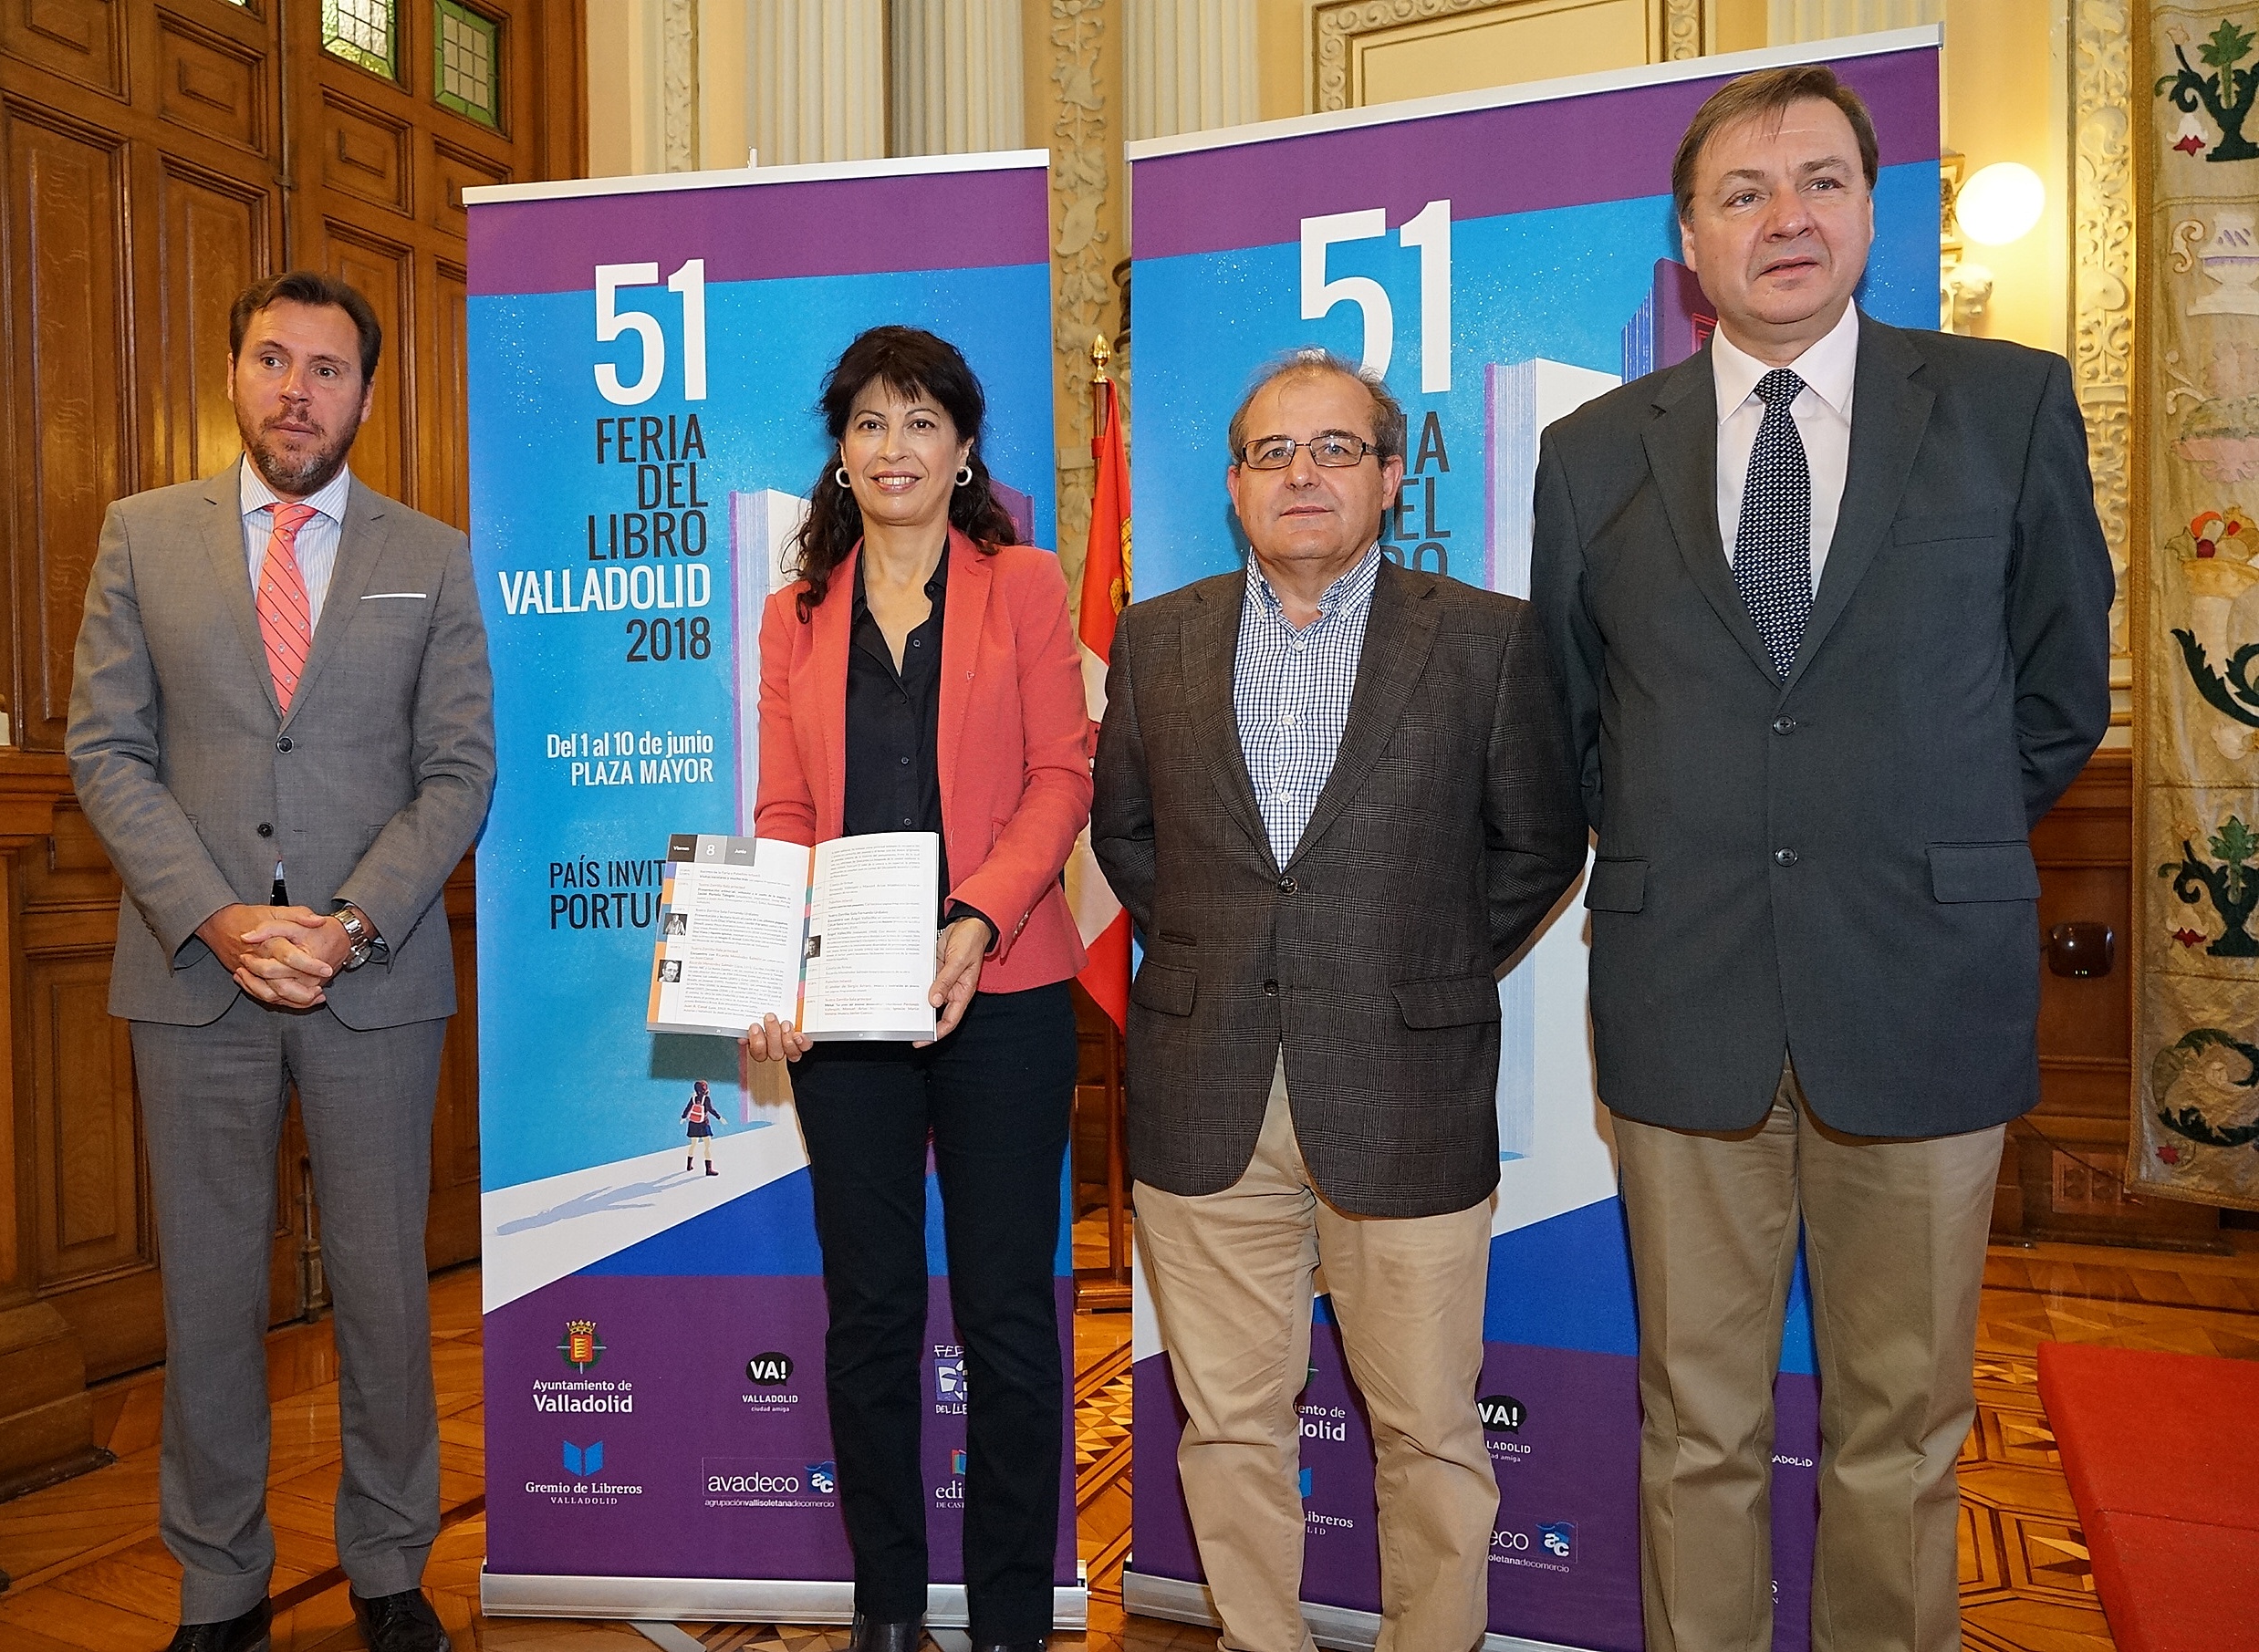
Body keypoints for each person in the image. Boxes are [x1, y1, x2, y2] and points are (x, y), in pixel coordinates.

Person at [1528, 66, 2113, 1652]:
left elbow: (2059, 691)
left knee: (1899, 1429)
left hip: (1922, 995)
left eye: (1818, 183)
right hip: (1683, 1000)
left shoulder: (2004, 405)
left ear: (1869, 209)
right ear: (1688, 242)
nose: (1783, 217)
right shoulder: (1592, 452)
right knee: (1694, 1425)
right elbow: (1577, 722)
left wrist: (1917, 837)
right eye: (1742, 192)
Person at [1092, 350, 1587, 1652]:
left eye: (1333, 448)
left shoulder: (1483, 637)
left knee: (1428, 1427)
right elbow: (1126, 834)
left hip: (1404, 1086)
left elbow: (1537, 841)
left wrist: (1413, 966)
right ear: (1234, 485)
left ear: (1388, 473)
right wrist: (1225, 952)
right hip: (1206, 1086)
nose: (1301, 474)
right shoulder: (1155, 638)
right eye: (1272, 452)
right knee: (1228, 1424)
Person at [68, 270, 494, 1652]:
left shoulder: (432, 556)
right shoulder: (142, 537)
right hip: (194, 980)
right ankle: (219, 1588)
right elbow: (105, 752)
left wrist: (349, 921)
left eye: (326, 368)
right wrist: (215, 915)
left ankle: (389, 1567)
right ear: (234, 374)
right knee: (206, 1298)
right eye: (272, 359)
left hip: (374, 980)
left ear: (364, 394)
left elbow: (459, 770)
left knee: (382, 1290)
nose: (296, 390)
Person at [742, 326, 1092, 1652]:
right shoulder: (795, 615)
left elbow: (1062, 773)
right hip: (846, 1004)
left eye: (921, 421)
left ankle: (1008, 1617)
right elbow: (785, 807)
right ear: (840, 451)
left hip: (1003, 988)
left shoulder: (1025, 584)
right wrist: (770, 959)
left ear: (962, 450)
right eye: (869, 423)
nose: (895, 447)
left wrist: (977, 912)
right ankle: (886, 1605)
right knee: (872, 1312)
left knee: (1005, 1315)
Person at [683, 1079, 723, 1174]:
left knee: (693, 1145)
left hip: (693, 1124)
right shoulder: (706, 1099)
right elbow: (711, 1110)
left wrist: (683, 1117)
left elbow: (687, 1109)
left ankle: (689, 1165)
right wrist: (719, 1117)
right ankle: (708, 1169)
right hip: (703, 1124)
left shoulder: (693, 1099)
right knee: (707, 1146)